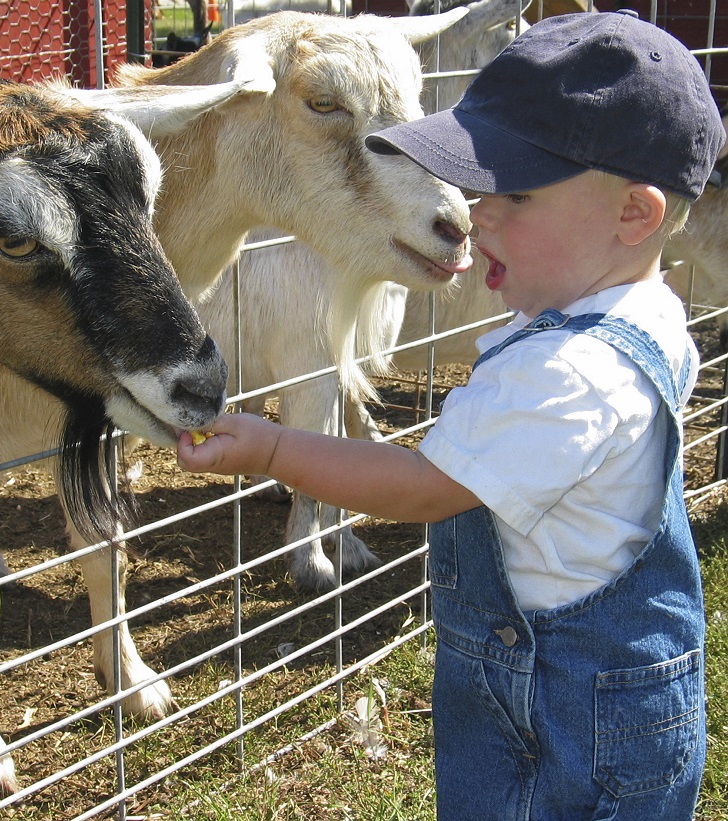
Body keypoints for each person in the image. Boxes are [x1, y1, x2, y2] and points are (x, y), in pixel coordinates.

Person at [176, 11, 724, 820]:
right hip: (619, 702)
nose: (476, 211)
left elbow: (422, 489)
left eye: (514, 193)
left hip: (560, 728)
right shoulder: (647, 312)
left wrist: (271, 446)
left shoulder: (566, 373)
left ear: (633, 215)